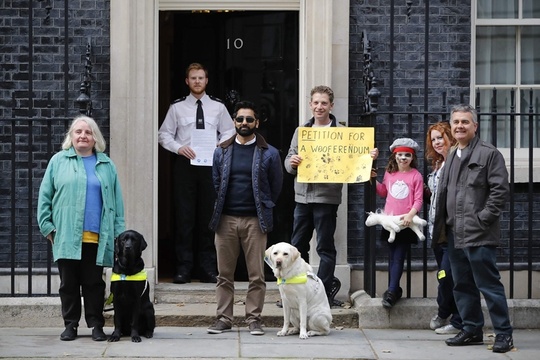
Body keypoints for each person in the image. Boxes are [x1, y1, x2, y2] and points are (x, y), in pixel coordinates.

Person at [284, 85, 378, 307]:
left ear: (331, 106)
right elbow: (288, 160)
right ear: (310, 104)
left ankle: (323, 293)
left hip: (327, 198)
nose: (319, 107)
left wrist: (369, 156)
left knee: (325, 247)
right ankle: (295, 293)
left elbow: (357, 161)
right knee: (297, 246)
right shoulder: (301, 132)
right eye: (316, 102)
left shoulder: (343, 133)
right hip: (302, 197)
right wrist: (292, 163)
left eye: (324, 103)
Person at [432, 104, 514, 353]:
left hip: (478, 233)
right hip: (454, 233)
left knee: (489, 285)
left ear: (475, 126)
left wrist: (483, 219)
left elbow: (500, 191)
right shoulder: (452, 155)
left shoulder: (489, 154)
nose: (459, 126)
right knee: (462, 285)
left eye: (465, 122)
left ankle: (503, 334)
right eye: (456, 122)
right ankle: (471, 329)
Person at [37, 115, 125, 342]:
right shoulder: (58, 161)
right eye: (78, 132)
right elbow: (44, 197)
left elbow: (117, 203)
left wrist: (118, 234)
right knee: (68, 284)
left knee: (94, 284)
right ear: (71, 136)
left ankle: (96, 325)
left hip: (96, 236)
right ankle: (71, 325)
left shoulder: (106, 164)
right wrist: (48, 228)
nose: (83, 136)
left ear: (95, 138)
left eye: (88, 132)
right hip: (66, 234)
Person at [207, 101, 283, 336]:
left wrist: (264, 206)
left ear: (256, 123)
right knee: (224, 275)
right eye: (240, 119)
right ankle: (223, 318)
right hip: (226, 220)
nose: (244, 123)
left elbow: (276, 186)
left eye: (249, 119)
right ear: (234, 122)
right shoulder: (222, 150)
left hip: (255, 220)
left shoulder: (269, 153)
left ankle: (254, 319)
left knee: (257, 275)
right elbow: (217, 182)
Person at [158, 62, 235, 284]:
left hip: (211, 164)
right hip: (185, 165)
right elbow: (164, 135)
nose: (197, 81)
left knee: (208, 216)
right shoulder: (177, 108)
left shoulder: (218, 107)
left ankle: (208, 268)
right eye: (193, 78)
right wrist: (178, 148)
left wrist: (220, 145)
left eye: (201, 78)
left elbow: (230, 130)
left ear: (207, 80)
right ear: (187, 81)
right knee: (184, 217)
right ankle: (184, 268)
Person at [373, 138, 423, 308]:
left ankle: (392, 291)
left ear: (412, 157)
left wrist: (410, 215)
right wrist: (373, 180)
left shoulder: (416, 175)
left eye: (407, 155)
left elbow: (418, 199)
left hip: (405, 222)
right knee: (392, 256)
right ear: (395, 156)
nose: (403, 158)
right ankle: (394, 289)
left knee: (399, 257)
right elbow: (382, 192)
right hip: (390, 221)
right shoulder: (389, 173)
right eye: (400, 155)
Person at [425, 122, 462, 334]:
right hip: (436, 231)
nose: (437, 142)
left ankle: (451, 317)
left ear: (450, 136)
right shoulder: (438, 164)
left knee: (449, 275)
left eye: (441, 137)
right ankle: (448, 314)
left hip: (452, 231)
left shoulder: (457, 162)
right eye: (434, 139)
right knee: (443, 274)